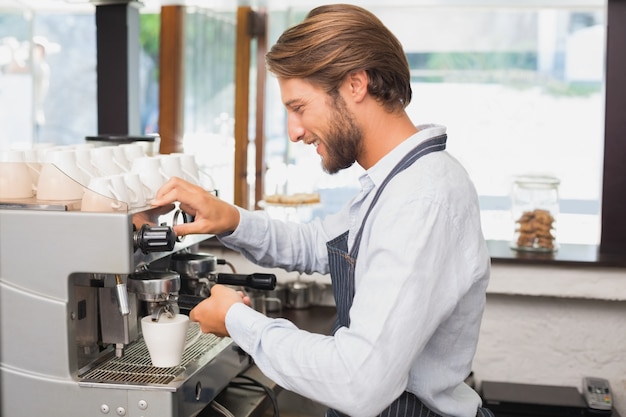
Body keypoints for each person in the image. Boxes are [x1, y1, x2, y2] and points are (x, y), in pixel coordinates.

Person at [152, 4, 491, 417]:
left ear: (354, 85)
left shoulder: (421, 200)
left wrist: (238, 321)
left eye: (299, 107)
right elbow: (321, 244)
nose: (294, 132)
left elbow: (357, 382)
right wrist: (231, 219)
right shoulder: (395, 181)